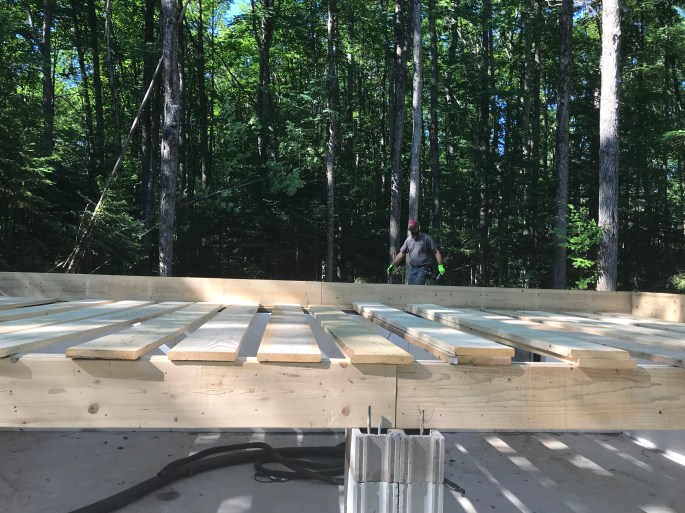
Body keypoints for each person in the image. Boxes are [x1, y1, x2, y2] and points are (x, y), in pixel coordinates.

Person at [386, 219, 445, 285]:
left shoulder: (427, 238)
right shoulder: (408, 240)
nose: (412, 231)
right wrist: (392, 265)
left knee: (417, 286)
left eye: (413, 229)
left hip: (424, 269)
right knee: (411, 288)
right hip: (412, 269)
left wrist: (440, 265)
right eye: (410, 229)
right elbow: (401, 254)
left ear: (418, 227)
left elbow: (436, 252)